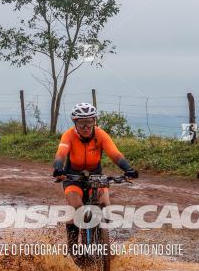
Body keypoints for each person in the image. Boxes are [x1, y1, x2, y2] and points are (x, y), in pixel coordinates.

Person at [52, 103, 138, 247]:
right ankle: (72, 246)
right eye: (81, 123)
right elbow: (61, 154)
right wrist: (58, 168)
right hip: (72, 176)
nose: (86, 127)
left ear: (94, 121)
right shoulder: (68, 135)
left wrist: (128, 169)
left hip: (96, 175)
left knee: (104, 204)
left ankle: (102, 241)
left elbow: (115, 154)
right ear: (75, 122)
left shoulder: (100, 134)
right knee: (77, 208)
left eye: (89, 122)